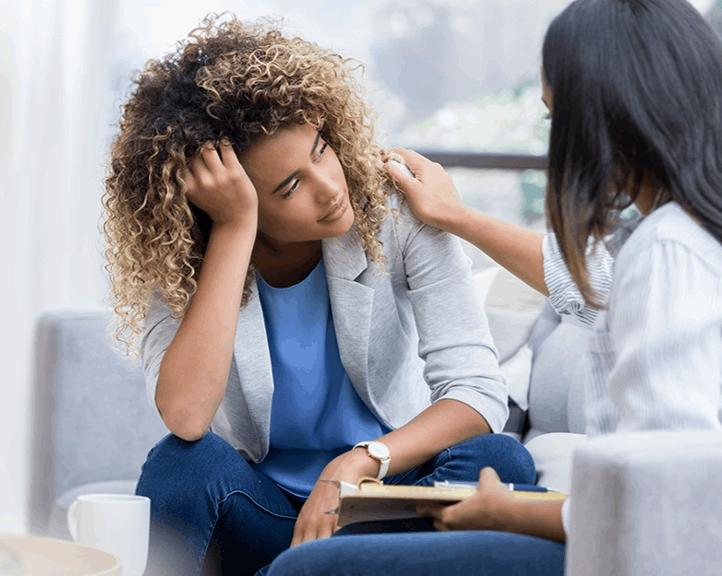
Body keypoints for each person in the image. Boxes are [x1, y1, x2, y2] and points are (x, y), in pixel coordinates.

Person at [266, 0, 722, 574]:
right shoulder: (679, 240)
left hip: (633, 553)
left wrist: (507, 513)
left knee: (303, 570)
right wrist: (454, 216)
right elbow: (588, 281)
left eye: (558, 120)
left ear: (607, 117)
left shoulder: (668, 251)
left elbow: (668, 501)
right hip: (612, 532)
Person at [102, 14, 535, 576]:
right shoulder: (187, 254)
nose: (331, 188)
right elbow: (185, 417)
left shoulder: (396, 212)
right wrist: (235, 232)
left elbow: (476, 392)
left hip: (381, 503)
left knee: (501, 460)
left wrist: (358, 463)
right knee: (180, 464)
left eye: (322, 150)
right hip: (263, 510)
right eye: (290, 186)